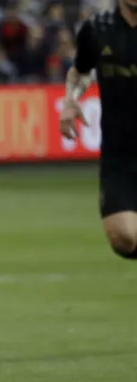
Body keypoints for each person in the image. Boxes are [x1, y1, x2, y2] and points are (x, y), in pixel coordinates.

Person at [60, 1, 137, 259]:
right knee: (123, 238)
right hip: (119, 153)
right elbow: (81, 71)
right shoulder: (97, 29)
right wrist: (71, 99)